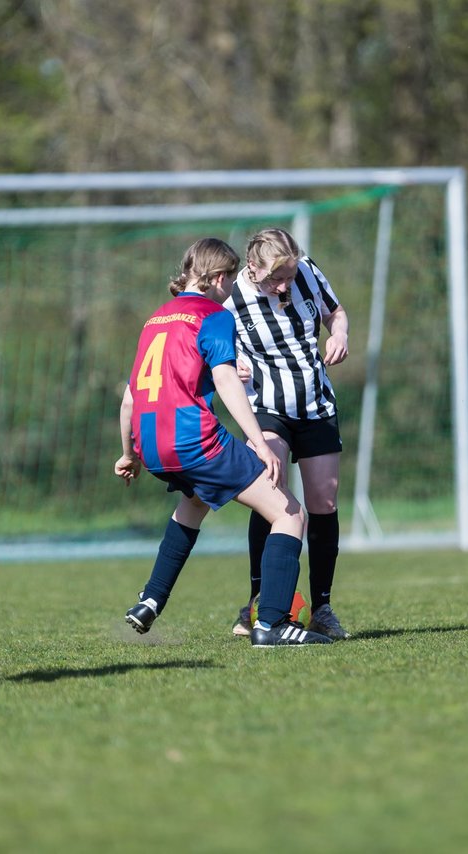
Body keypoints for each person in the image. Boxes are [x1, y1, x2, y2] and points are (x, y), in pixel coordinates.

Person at [115, 237, 331, 647]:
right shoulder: (213, 315)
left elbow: (129, 399)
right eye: (232, 278)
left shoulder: (156, 319)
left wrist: (128, 454)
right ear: (218, 278)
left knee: (193, 503)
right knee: (289, 514)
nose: (233, 286)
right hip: (192, 440)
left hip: (151, 443)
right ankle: (271, 624)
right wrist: (261, 444)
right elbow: (227, 380)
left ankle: (150, 600)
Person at [223, 227, 351, 639]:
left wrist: (340, 333)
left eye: (290, 276)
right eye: (276, 278)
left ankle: (323, 608)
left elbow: (336, 313)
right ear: (253, 269)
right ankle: (259, 603)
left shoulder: (308, 272)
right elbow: (216, 354)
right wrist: (234, 364)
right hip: (265, 408)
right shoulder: (231, 301)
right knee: (272, 494)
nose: (284, 286)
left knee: (323, 499)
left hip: (315, 405)